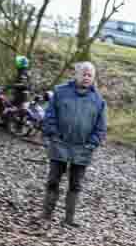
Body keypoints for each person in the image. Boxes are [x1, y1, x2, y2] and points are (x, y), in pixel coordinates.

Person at [40, 61, 107, 228]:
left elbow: (101, 126)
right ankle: (46, 214)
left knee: (75, 184)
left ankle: (69, 219)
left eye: (89, 75)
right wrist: (53, 134)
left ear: (93, 78)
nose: (86, 77)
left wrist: (92, 143)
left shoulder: (98, 100)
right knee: (53, 180)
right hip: (59, 143)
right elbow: (50, 115)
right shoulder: (60, 91)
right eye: (83, 74)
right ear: (76, 75)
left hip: (83, 148)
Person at [0, 55, 32, 122]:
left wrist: (8, 87)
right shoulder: (25, 72)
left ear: (20, 63)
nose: (16, 63)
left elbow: (22, 84)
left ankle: (5, 121)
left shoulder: (22, 72)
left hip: (21, 96)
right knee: (8, 104)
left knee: (5, 103)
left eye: (18, 62)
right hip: (23, 95)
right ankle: (6, 121)